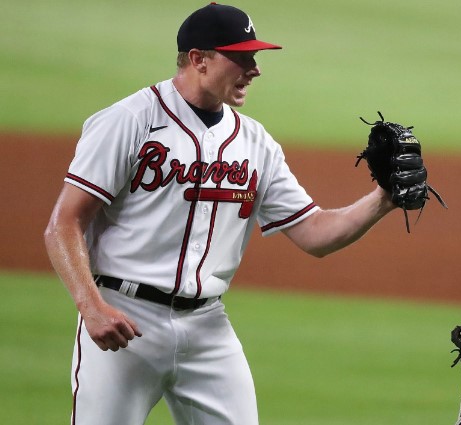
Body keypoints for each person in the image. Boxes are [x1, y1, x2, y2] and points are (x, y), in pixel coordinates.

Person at [43, 3, 398, 424]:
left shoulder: (256, 142)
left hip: (209, 328)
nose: (255, 69)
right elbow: (64, 223)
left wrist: (383, 198)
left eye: (255, 57)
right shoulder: (129, 121)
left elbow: (314, 232)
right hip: (124, 322)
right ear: (199, 59)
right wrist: (91, 305)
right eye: (242, 57)